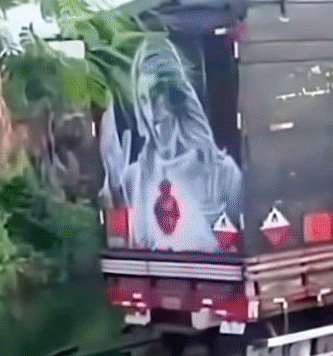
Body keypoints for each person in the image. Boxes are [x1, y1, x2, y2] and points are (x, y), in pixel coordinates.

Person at [99, 35, 242, 252]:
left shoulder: (222, 172)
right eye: (143, 99)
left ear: (176, 95)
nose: (151, 111)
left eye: (156, 94)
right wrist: (112, 187)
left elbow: (240, 243)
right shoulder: (133, 178)